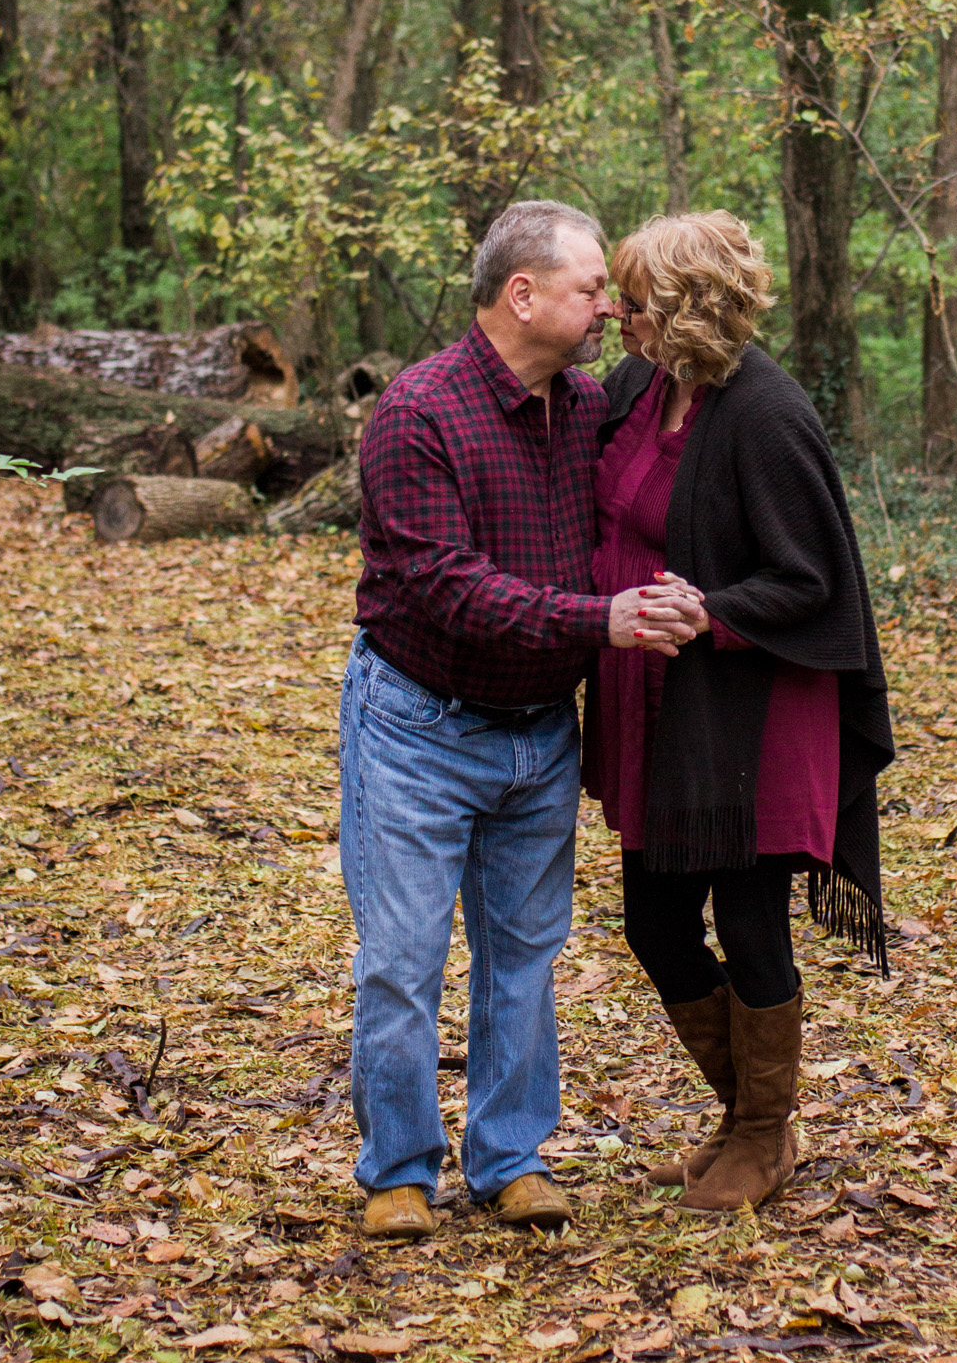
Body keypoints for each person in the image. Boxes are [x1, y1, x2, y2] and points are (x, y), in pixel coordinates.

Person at [340, 199, 699, 1241]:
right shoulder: (417, 414)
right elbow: (451, 588)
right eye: (592, 287)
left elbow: (694, 405)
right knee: (404, 956)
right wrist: (607, 620)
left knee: (524, 954)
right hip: (418, 722)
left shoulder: (587, 406)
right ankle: (399, 1168)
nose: (606, 307)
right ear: (522, 293)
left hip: (539, 730)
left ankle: (508, 1157)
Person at [585, 210, 894, 1213]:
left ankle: (762, 1131)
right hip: (662, 704)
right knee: (654, 922)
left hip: (754, 710)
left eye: (631, 302)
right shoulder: (639, 389)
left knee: (752, 923)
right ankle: (748, 1116)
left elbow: (815, 578)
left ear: (680, 308)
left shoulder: (767, 412)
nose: (616, 318)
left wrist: (711, 610)